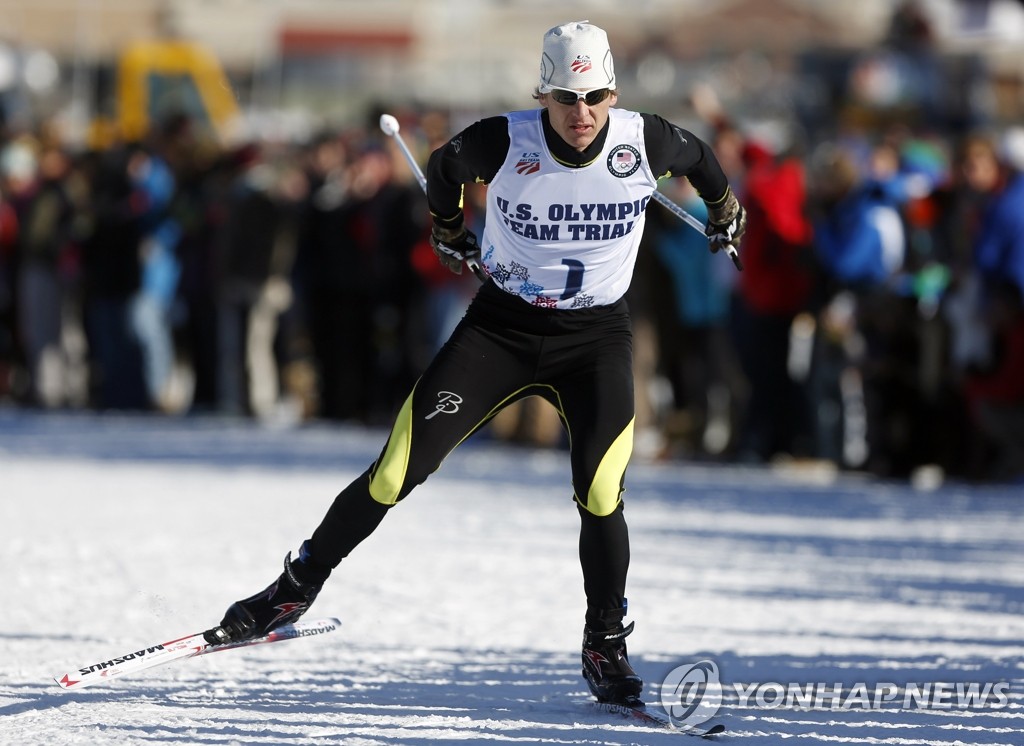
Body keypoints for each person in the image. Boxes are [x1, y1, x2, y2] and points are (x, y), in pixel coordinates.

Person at [205, 20, 745, 707]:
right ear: (542, 93)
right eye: (566, 98)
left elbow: (702, 158)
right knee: (397, 469)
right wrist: (450, 229)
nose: (582, 114)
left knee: (602, 492)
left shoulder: (646, 140)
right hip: (503, 329)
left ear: (614, 92)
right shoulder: (503, 139)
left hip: (595, 338)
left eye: (596, 97)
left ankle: (604, 644)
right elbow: (442, 168)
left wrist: (726, 209)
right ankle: (292, 591)